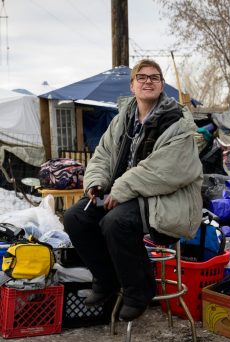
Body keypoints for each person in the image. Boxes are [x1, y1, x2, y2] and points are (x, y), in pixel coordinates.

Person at [63, 59, 203, 322]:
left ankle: (140, 291)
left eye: (155, 77)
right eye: (142, 77)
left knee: (115, 222)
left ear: (162, 86)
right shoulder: (122, 120)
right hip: (123, 193)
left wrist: (121, 188)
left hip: (164, 198)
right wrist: (95, 182)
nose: (148, 81)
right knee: (75, 218)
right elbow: (103, 156)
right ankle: (107, 279)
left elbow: (165, 169)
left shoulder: (178, 123)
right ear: (132, 85)